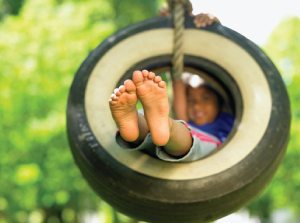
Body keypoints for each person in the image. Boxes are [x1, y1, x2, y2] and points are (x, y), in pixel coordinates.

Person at [108, 14, 234, 162]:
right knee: (162, 128)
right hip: (169, 142)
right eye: (191, 100)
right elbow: (178, 80)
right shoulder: (187, 119)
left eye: (205, 98)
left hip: (208, 148)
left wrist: (213, 29)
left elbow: (227, 64)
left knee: (183, 134)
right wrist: (172, 21)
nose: (197, 105)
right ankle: (135, 124)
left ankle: (162, 126)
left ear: (219, 101)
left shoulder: (228, 119)